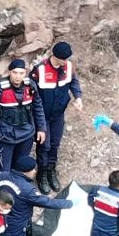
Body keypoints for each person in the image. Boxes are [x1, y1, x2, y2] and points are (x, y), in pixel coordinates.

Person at [30, 41, 84, 193]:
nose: (66, 62)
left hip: (58, 115)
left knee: (54, 144)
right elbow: (31, 94)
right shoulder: (39, 70)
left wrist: (78, 97)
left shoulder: (68, 67)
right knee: (44, 145)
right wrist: (37, 122)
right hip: (42, 116)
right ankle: (41, 174)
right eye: (63, 59)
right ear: (55, 56)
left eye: (67, 59)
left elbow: (74, 82)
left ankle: (51, 170)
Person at [0, 60, 47, 178]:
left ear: (25, 73)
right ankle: (0, 188)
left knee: (20, 168)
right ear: (9, 72)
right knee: (3, 170)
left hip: (26, 134)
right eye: (15, 73)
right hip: (5, 136)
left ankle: (18, 188)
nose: (18, 76)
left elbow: (38, 107)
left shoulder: (30, 86)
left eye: (21, 73)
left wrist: (41, 128)